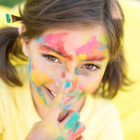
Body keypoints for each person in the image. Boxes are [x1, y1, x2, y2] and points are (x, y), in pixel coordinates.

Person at [0, 0, 131, 140]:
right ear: (26, 42)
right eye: (52, 57)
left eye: (89, 66)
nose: (67, 83)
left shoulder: (105, 119)